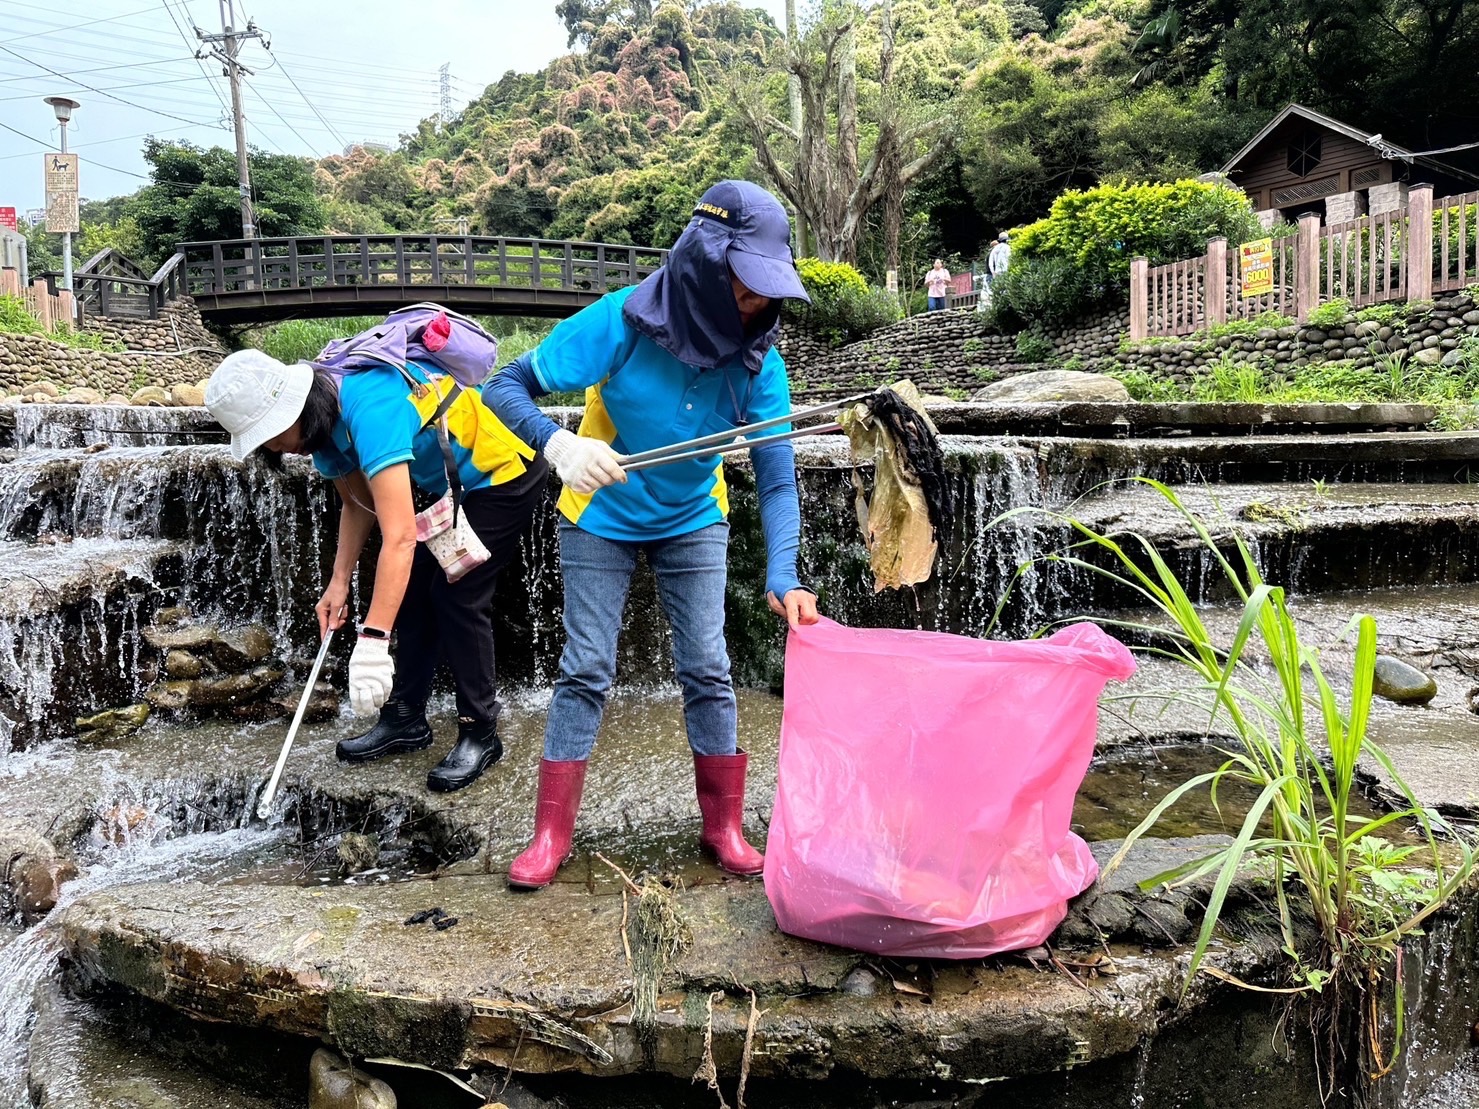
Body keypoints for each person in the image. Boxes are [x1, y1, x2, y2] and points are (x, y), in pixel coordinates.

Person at [482, 179, 820, 889]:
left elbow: (777, 473)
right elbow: (505, 385)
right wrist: (557, 446)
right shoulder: (623, 320)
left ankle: (723, 826)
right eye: (743, 285)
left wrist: (782, 572)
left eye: (768, 288)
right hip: (598, 511)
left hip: (693, 511)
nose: (756, 303)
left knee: (707, 665)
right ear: (701, 265)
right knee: (585, 668)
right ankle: (549, 834)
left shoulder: (761, 359)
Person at [203, 342, 548, 793]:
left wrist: (372, 641)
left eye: (269, 434)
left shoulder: (371, 408)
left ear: (292, 411)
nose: (273, 447)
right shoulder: (321, 429)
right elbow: (357, 505)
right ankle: (406, 718)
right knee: (411, 591)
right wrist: (338, 583)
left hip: (504, 474)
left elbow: (401, 537)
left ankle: (480, 733)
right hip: (451, 486)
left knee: (456, 594)